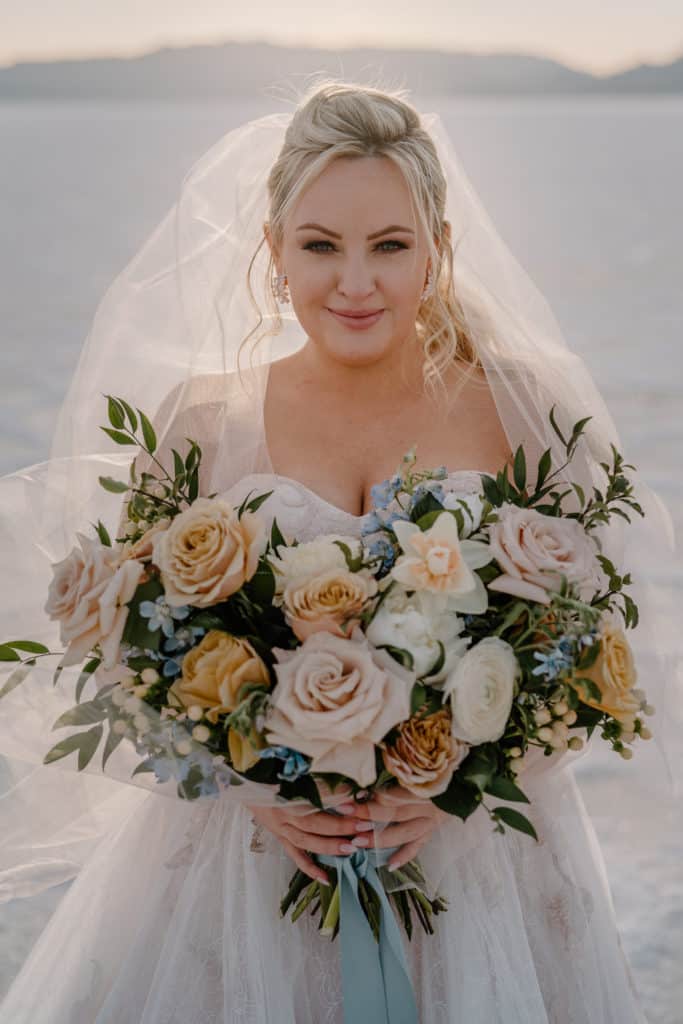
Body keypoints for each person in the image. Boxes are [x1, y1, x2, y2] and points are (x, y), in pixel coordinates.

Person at [0, 78, 679, 1023]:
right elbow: (124, 653)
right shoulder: (201, 422)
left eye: (389, 246)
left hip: (478, 868)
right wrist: (245, 785)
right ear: (274, 251)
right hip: (243, 866)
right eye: (320, 245)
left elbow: (595, 658)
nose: (354, 283)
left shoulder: (521, 411)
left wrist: (465, 784)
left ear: (436, 250)